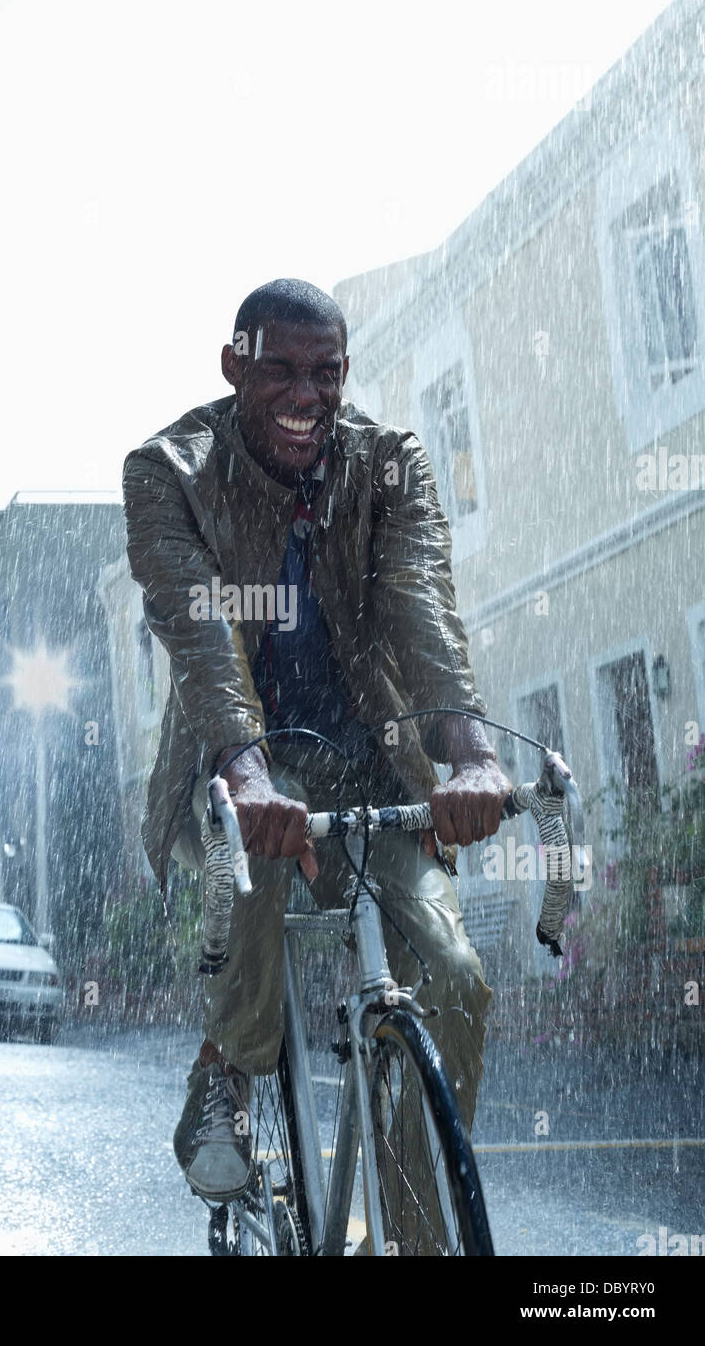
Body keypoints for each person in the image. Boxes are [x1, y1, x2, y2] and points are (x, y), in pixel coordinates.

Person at [122, 279, 510, 1242]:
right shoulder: (170, 471)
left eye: (326, 373)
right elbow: (205, 639)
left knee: (453, 976)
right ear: (234, 365)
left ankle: (413, 1228)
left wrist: (470, 758)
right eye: (282, 370)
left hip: (375, 773)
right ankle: (230, 1070)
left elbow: (423, 611)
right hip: (237, 770)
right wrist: (248, 778)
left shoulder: (387, 466)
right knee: (247, 836)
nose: (308, 395)